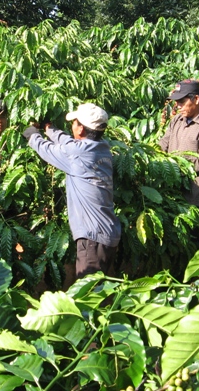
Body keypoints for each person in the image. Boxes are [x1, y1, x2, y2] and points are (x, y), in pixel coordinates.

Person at [23, 103, 121, 279]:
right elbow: (69, 142)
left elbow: (45, 149)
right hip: (107, 234)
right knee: (98, 294)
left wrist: (31, 133)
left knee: (87, 298)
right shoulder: (102, 147)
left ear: (81, 129)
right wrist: (49, 128)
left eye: (74, 123)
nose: (71, 126)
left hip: (93, 238)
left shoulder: (77, 155)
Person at [159, 79, 199, 237]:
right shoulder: (176, 121)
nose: (178, 106)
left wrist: (175, 166)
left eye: (182, 102)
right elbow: (162, 146)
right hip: (172, 193)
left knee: (190, 240)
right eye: (177, 102)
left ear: (196, 99)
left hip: (195, 197)